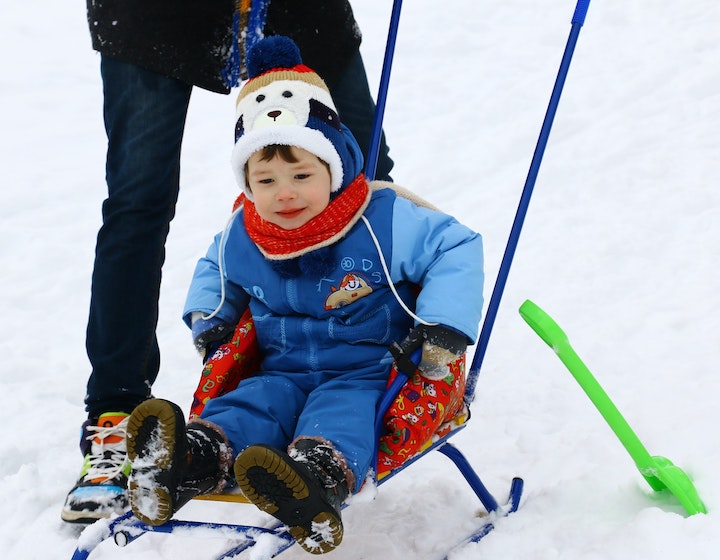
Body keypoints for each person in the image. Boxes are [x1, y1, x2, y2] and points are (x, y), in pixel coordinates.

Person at [123, 35, 483, 554]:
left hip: (368, 370)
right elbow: (215, 269)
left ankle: (314, 481)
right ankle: (190, 460)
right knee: (248, 407)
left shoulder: (380, 218)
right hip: (281, 368)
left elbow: (457, 246)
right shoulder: (245, 232)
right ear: (247, 181)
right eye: (265, 179)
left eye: (301, 174)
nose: (284, 192)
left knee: (341, 417)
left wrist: (443, 323)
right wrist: (212, 316)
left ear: (333, 167)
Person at [61, 0, 394, 524]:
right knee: (137, 202)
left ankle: (372, 371)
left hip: (297, 9)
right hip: (149, 18)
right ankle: (115, 415)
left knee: (361, 175)